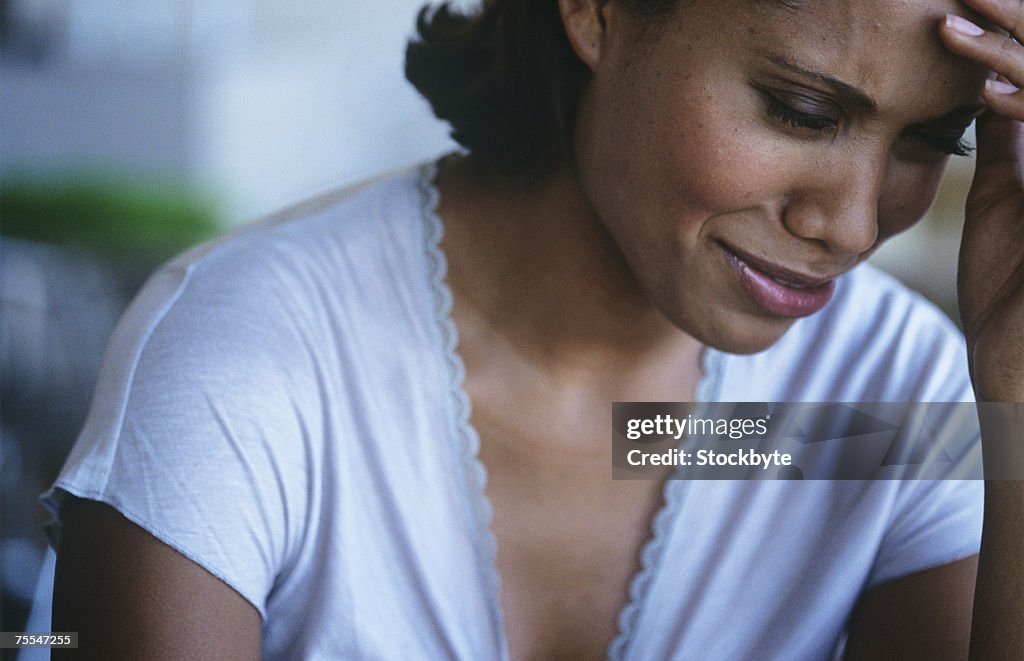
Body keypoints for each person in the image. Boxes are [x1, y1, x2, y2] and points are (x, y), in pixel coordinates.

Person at [45, 0, 1023, 658]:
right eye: (800, 110)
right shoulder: (254, 360)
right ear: (596, 11)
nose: (851, 226)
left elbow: (637, 442)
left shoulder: (873, 404)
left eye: (930, 141)